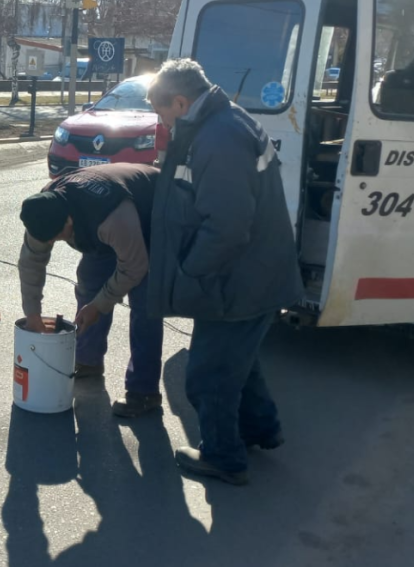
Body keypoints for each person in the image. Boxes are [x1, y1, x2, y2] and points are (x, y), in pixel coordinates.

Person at [143, 59, 303, 486]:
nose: (163, 122)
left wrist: (191, 272)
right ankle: (259, 430)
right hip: (254, 273)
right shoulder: (224, 120)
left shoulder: (218, 137)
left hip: (238, 279)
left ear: (180, 101)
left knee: (209, 375)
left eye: (164, 112)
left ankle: (223, 457)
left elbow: (227, 226)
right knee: (239, 363)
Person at [18, 162, 165, 417]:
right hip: (104, 229)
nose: (52, 242)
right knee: (89, 280)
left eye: (57, 236)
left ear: (69, 220)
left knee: (144, 304)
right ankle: (88, 360)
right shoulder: (44, 208)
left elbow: (134, 267)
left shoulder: (112, 216)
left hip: (155, 214)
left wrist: (100, 305)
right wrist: (33, 315)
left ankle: (144, 392)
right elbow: (31, 263)